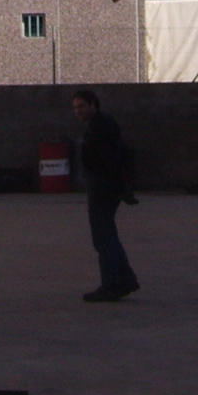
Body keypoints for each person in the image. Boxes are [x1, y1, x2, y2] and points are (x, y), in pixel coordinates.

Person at [71, 89, 140, 302]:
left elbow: (111, 160)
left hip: (104, 187)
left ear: (93, 104)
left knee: (103, 238)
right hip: (104, 185)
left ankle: (111, 284)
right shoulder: (100, 124)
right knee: (107, 235)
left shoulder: (101, 126)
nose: (78, 111)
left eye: (82, 106)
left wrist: (119, 187)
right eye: (75, 108)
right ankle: (124, 281)